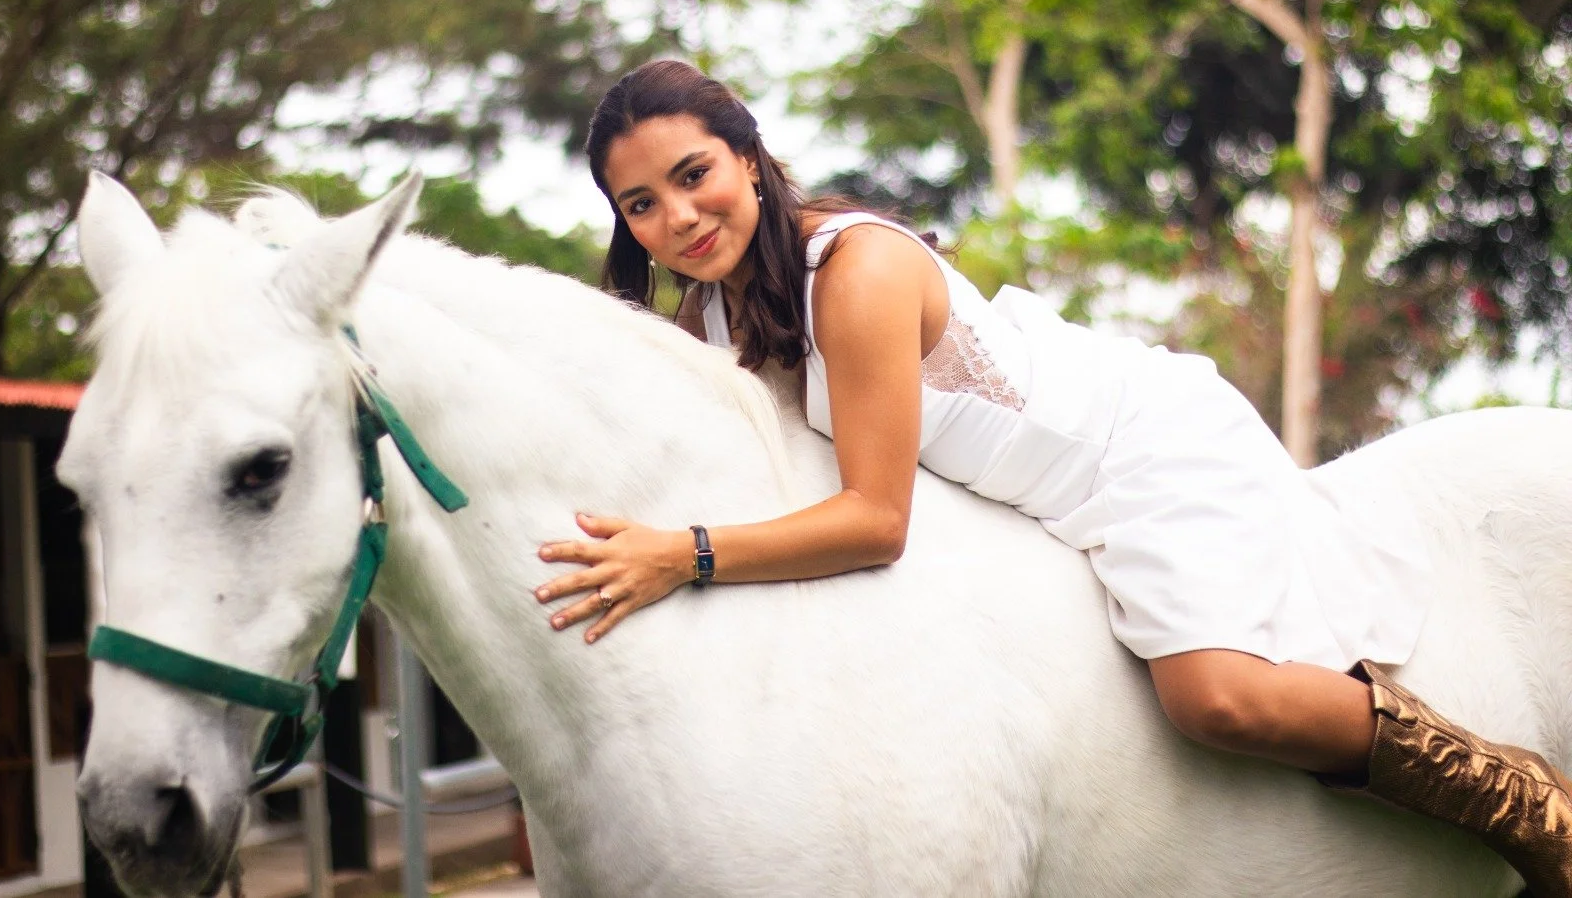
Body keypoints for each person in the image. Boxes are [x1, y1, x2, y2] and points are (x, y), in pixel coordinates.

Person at [531, 59, 1571, 892]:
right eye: (640, 204)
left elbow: (872, 518)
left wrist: (686, 555)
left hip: (1130, 452)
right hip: (1025, 506)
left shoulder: (853, 273)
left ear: (749, 159)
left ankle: (1526, 809)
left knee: (1221, 701)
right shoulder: (705, 322)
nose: (677, 216)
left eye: (692, 174)